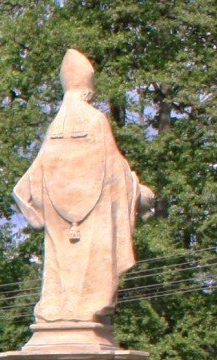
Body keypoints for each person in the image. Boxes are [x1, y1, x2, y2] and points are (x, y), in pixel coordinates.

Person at [13, 49, 156, 334]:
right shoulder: (96, 121)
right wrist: (138, 191)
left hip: (58, 222)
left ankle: (58, 309)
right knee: (91, 268)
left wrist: (34, 211)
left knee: (61, 267)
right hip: (92, 221)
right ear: (87, 91)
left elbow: (28, 182)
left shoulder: (55, 128)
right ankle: (86, 307)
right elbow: (116, 174)